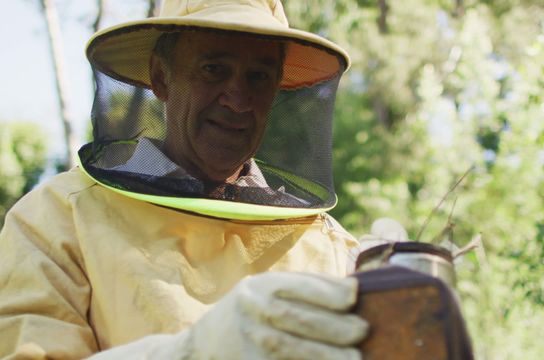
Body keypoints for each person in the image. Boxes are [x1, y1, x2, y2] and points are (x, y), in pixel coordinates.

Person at [0, 0, 370, 358]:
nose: (239, 100)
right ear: (162, 77)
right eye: (213, 69)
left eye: (258, 77)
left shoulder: (330, 246)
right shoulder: (56, 219)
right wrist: (191, 352)